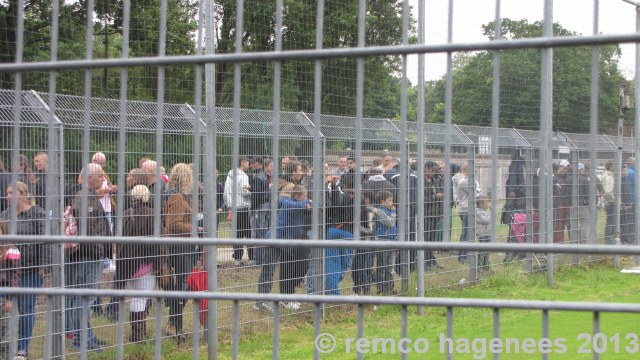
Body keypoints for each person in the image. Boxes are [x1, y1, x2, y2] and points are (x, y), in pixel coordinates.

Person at [0, 181, 48, 359]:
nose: (8, 196)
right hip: (8, 270)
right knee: (5, 308)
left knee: (26, 307)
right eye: (7, 193)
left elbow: (45, 241)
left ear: (24, 194)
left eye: (12, 193)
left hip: (30, 269)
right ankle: (6, 344)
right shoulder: (4, 214)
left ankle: (22, 347)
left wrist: (44, 265)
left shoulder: (37, 213)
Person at [66, 163, 109, 350]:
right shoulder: (84, 197)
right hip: (87, 254)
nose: (103, 178)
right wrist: (99, 244)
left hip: (90, 252)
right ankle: (80, 339)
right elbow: (88, 227)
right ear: (90, 177)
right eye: (100, 175)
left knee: (84, 296)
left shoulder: (89, 195)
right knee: (85, 297)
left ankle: (87, 335)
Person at [255, 184, 311, 312]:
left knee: (286, 268)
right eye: (305, 196)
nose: (306, 199)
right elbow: (292, 205)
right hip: (274, 242)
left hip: (285, 244)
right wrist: (306, 204)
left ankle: (282, 298)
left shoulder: (300, 205)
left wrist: (308, 204)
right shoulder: (288, 203)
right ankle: (260, 301)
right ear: (297, 196)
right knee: (268, 271)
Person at [162, 163, 202, 340]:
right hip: (179, 246)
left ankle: (174, 324)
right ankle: (173, 326)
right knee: (184, 285)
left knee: (183, 285)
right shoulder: (177, 198)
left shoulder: (178, 195)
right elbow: (173, 224)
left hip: (182, 245)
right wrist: (195, 228)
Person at [119, 185, 162, 342]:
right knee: (141, 298)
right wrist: (158, 265)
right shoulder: (152, 215)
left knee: (136, 297)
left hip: (128, 265)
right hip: (145, 264)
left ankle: (138, 332)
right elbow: (159, 244)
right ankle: (138, 335)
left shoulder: (124, 215)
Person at [224, 157, 252, 265]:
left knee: (237, 233)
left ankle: (237, 258)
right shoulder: (243, 176)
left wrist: (229, 205)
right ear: (243, 163)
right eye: (247, 163)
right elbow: (245, 192)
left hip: (233, 207)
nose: (248, 165)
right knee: (248, 233)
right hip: (243, 207)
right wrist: (251, 191)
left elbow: (226, 192)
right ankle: (251, 256)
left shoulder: (230, 175)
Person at [0, 221, 20, 360]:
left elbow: (14, 277)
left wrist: (10, 299)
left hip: (5, 299)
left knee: (7, 334)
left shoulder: (11, 250)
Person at [371, 190, 397, 294]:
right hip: (382, 241)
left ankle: (389, 287)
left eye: (392, 200)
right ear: (382, 202)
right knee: (382, 265)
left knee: (390, 266)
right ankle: (381, 288)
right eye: (389, 200)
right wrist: (394, 213)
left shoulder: (388, 211)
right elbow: (390, 223)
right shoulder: (380, 212)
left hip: (391, 240)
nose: (392, 203)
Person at [424, 161, 444, 270]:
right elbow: (420, 200)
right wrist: (435, 197)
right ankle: (426, 262)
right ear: (426, 168)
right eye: (432, 170)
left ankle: (431, 260)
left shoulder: (434, 181)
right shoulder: (420, 181)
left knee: (432, 239)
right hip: (426, 215)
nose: (433, 172)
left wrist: (441, 214)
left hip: (435, 215)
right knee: (426, 239)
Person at [250, 156, 271, 264]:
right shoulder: (264, 176)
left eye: (252, 163)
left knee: (258, 232)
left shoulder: (258, 177)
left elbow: (256, 196)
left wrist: (253, 209)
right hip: (266, 206)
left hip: (260, 207)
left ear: (258, 164)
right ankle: (265, 256)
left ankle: (258, 259)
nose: (250, 165)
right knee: (265, 231)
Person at [600, 161, 615, 244]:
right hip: (611, 202)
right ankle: (609, 238)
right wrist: (614, 199)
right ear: (610, 166)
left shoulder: (607, 175)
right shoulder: (609, 177)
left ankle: (610, 237)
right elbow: (608, 191)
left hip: (608, 202)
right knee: (610, 221)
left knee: (611, 220)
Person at [475, 196, 492, 271]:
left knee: (487, 251)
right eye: (487, 202)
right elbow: (486, 221)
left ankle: (486, 266)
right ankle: (480, 266)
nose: (488, 204)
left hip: (487, 233)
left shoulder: (485, 212)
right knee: (482, 251)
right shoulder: (478, 212)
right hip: (482, 234)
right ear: (481, 204)